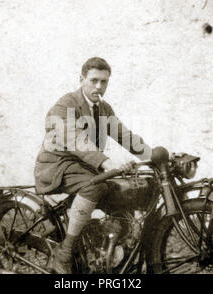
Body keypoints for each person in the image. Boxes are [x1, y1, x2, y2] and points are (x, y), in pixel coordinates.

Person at [34, 57, 152, 274]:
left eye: (104, 82)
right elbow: (73, 138)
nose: (99, 86)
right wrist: (106, 162)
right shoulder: (66, 104)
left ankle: (112, 244)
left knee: (123, 188)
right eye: (94, 80)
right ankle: (65, 252)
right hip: (57, 165)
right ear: (82, 79)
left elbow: (124, 136)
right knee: (96, 185)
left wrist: (153, 155)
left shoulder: (104, 108)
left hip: (83, 166)